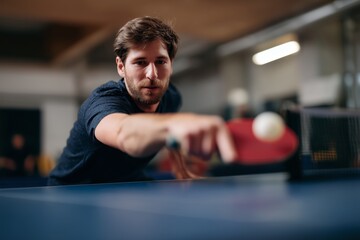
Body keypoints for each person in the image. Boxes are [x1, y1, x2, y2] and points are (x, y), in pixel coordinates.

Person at [48, 16, 236, 185]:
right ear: (121, 67)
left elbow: (166, 133)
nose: (152, 74)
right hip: (75, 192)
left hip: (127, 183)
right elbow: (124, 133)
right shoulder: (102, 102)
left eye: (161, 62)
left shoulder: (171, 97)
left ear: (171, 64)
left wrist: (179, 162)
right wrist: (176, 123)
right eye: (140, 62)